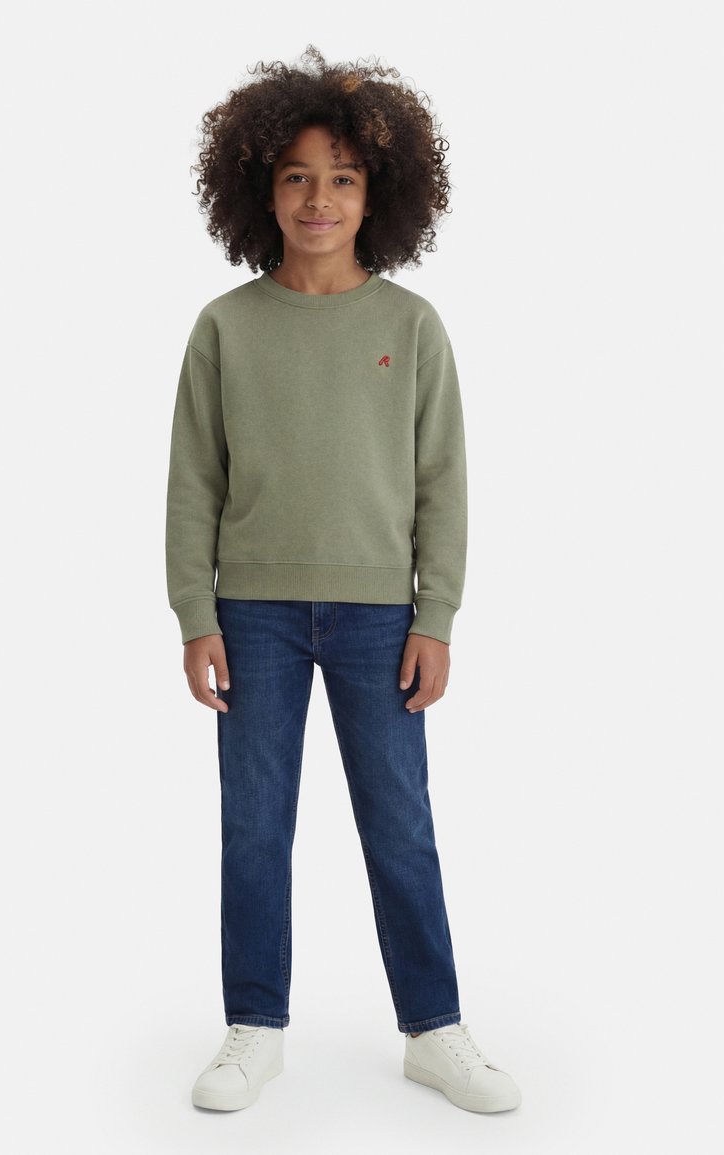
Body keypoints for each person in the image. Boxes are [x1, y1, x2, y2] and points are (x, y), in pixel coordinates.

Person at [165, 45, 521, 1115]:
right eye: (296, 176)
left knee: (400, 824)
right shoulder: (225, 327)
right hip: (251, 615)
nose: (318, 199)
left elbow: (442, 481)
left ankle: (434, 1028)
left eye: (343, 178)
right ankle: (254, 1026)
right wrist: (194, 613)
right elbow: (193, 480)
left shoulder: (409, 327)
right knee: (253, 825)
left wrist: (435, 615)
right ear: (259, 189)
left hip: (379, 618)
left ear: (379, 193)